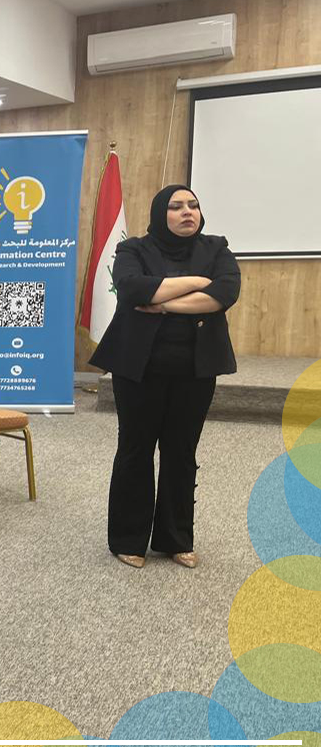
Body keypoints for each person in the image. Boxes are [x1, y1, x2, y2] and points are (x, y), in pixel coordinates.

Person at [90, 185, 240, 570]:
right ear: (161, 213)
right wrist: (198, 281)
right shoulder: (133, 249)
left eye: (193, 205)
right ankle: (128, 539)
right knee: (136, 449)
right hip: (139, 367)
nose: (187, 211)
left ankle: (176, 538)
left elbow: (225, 292)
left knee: (181, 451)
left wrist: (163, 303)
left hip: (195, 368)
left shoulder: (216, 248)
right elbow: (132, 288)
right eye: (176, 206)